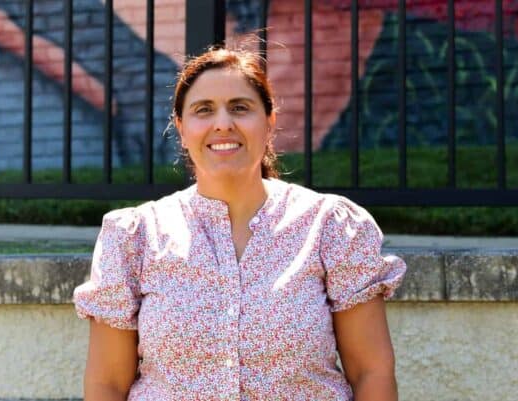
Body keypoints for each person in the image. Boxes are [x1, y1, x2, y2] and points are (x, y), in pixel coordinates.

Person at [73, 40, 406, 401]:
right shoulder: (136, 236)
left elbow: (371, 371)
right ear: (181, 128)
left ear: (269, 121)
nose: (222, 124)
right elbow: (107, 384)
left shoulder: (330, 227)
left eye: (240, 108)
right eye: (203, 110)